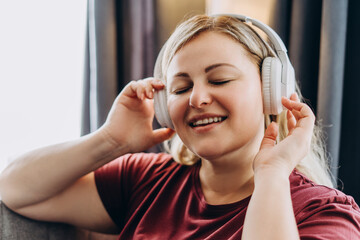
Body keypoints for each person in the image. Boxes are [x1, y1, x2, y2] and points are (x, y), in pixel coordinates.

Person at [0, 14, 359, 239]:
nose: (197, 99)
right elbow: (13, 189)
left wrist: (273, 174)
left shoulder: (325, 213)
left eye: (219, 80)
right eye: (181, 87)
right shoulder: (147, 180)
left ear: (273, 92)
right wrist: (110, 141)